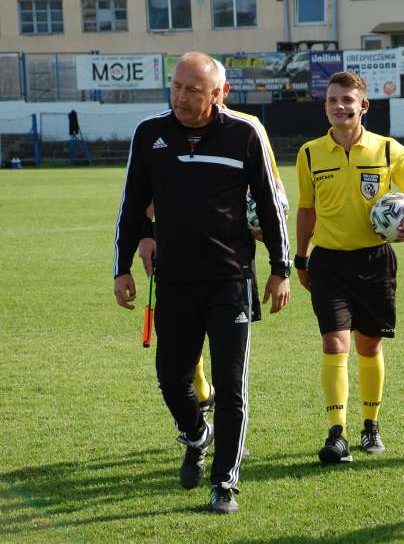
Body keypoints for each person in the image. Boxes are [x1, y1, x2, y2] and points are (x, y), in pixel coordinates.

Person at [114, 52, 291, 514]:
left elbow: (271, 206)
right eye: (176, 86)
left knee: (231, 387)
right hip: (172, 282)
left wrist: (281, 267)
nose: (181, 97)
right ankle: (196, 434)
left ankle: (225, 483)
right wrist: (122, 267)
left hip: (230, 280)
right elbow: (132, 205)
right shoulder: (150, 133)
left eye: (193, 90)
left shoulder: (244, 134)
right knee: (172, 380)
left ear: (220, 93)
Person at [295, 71, 404, 464]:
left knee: (368, 346)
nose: (340, 107)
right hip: (329, 262)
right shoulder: (309, 153)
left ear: (363, 106)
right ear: (325, 106)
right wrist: (301, 257)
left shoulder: (390, 151)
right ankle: (336, 433)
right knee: (334, 342)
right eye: (332, 101)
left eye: (347, 100)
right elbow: (307, 210)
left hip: (375, 262)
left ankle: (370, 425)